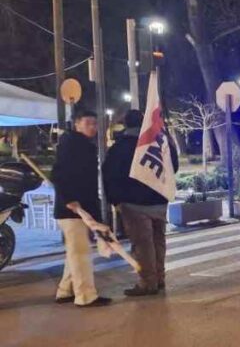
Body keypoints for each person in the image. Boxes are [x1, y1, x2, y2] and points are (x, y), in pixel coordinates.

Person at [102, 109, 179, 297]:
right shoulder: (159, 143)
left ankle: (147, 283)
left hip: (133, 203)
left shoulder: (121, 147)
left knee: (142, 244)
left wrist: (115, 200)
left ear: (126, 125)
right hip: (159, 200)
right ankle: (159, 278)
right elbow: (173, 166)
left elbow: (110, 175)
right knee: (158, 241)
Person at [51, 110, 111, 307]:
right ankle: (85, 296)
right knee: (80, 254)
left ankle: (65, 290)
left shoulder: (83, 145)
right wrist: (69, 199)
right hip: (72, 209)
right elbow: (58, 173)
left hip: (81, 208)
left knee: (75, 252)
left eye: (95, 123)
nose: (93, 127)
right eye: (88, 123)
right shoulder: (70, 144)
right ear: (77, 124)